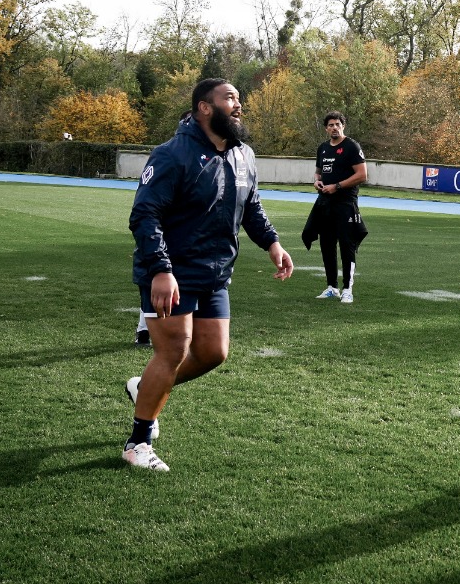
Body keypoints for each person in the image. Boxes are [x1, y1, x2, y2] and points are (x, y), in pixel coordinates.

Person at [122, 78, 294, 472]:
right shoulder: (172, 154)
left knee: (214, 353)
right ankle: (137, 442)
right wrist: (161, 270)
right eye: (230, 98)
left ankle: (143, 388)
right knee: (173, 351)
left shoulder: (243, 154)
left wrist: (272, 244)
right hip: (171, 271)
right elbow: (145, 214)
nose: (238, 105)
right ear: (204, 107)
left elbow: (252, 207)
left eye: (239, 98)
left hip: (215, 272)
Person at [306, 111, 368, 303]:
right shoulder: (323, 148)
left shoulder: (351, 146)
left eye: (337, 124)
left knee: (347, 246)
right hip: (326, 203)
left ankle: (348, 289)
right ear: (326, 129)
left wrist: (337, 186)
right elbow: (318, 172)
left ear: (343, 126)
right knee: (326, 245)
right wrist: (317, 181)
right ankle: (332, 287)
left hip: (345, 204)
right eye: (331, 125)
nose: (334, 127)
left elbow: (362, 175)